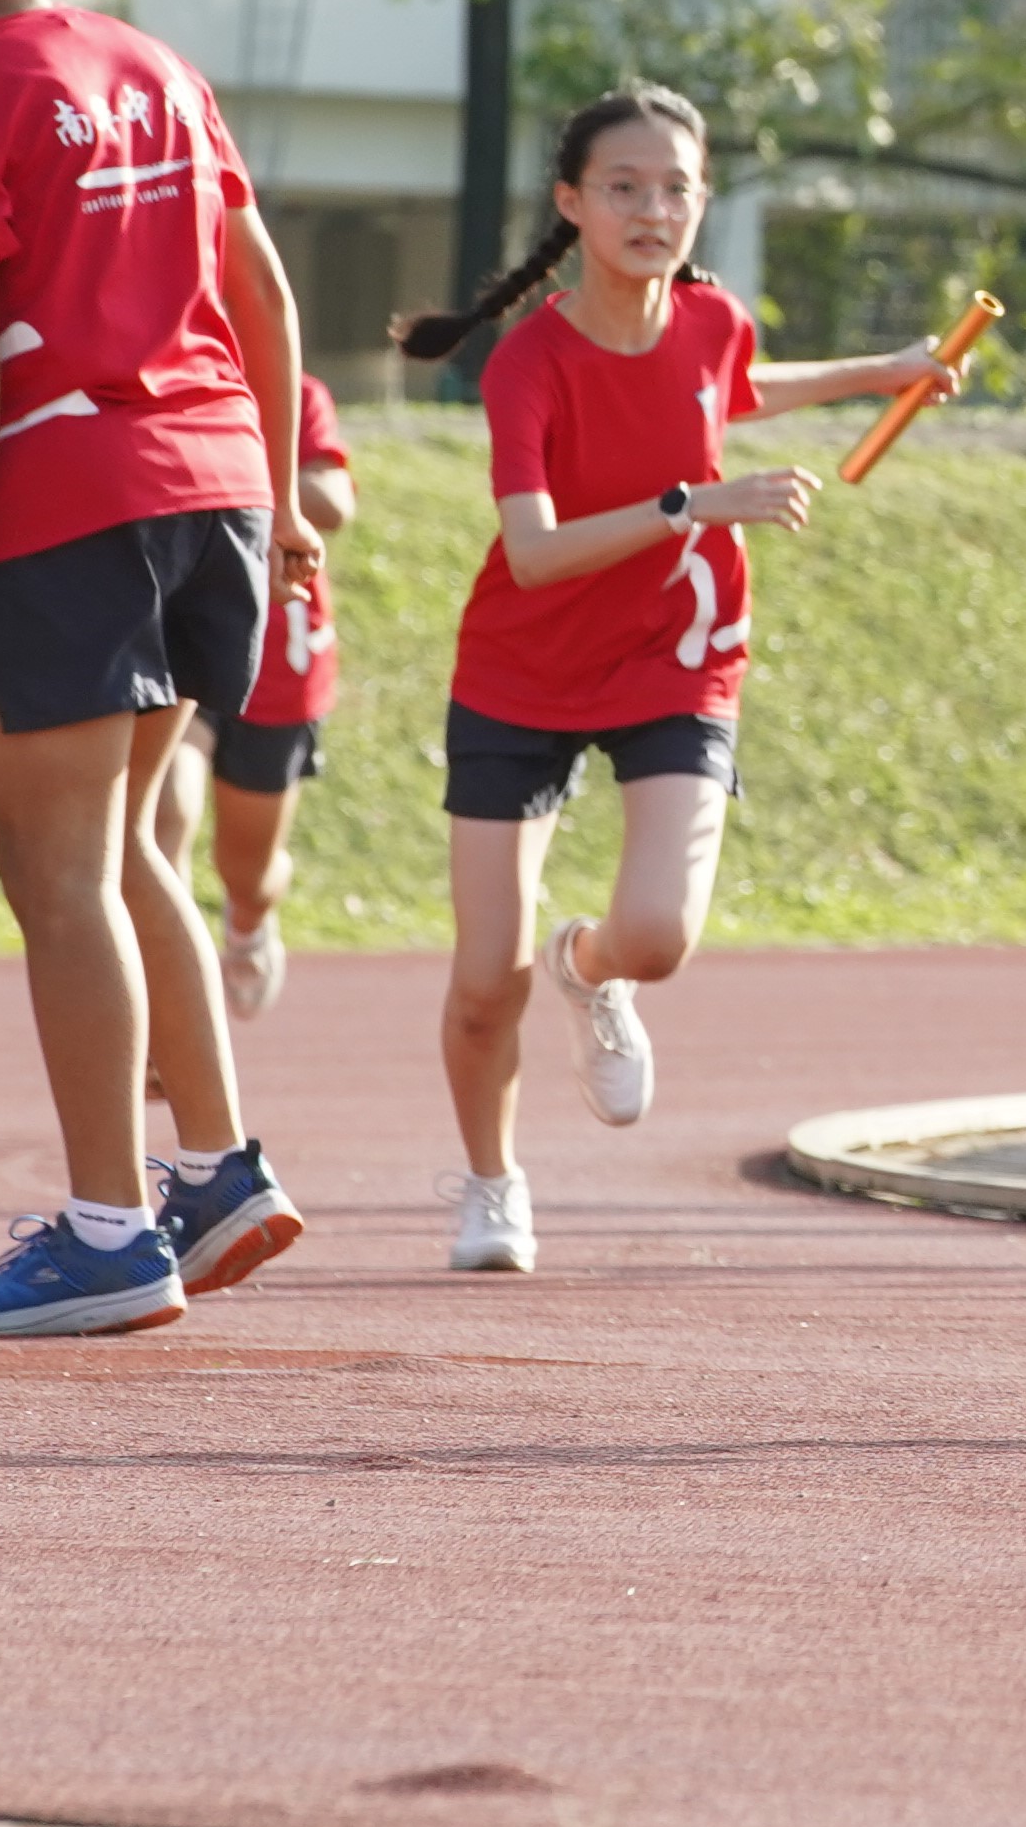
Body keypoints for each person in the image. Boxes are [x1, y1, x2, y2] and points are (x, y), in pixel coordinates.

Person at [0, 0, 317, 1338]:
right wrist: (278, 492)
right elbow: (258, 288)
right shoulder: (158, 66)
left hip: (72, 506)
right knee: (129, 855)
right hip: (218, 492)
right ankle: (218, 1168)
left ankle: (111, 1233)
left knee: (55, 881)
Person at [396, 84, 965, 1274]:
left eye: (676, 188)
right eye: (624, 187)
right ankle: (493, 1182)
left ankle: (589, 971)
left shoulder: (711, 318)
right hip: (523, 669)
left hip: (677, 655)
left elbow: (734, 386)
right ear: (571, 203)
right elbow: (538, 551)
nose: (653, 209)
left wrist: (885, 369)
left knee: (655, 936)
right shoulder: (530, 365)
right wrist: (689, 505)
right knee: (480, 980)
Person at [150, 371, 354, 1024]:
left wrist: (234, 474)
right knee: (164, 817)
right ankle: (174, 1010)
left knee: (249, 868)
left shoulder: (294, 390)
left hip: (276, 662)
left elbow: (334, 500)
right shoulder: (153, 377)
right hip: (179, 637)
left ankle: (249, 920)